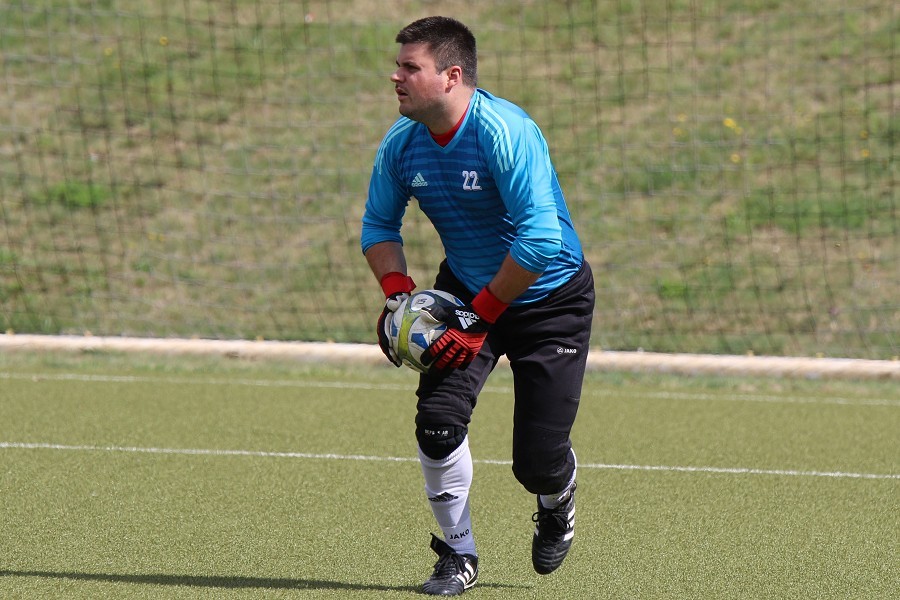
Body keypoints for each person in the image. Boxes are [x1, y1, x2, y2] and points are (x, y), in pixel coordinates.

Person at [360, 16, 594, 596]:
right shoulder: (402, 142)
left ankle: (557, 498)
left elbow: (539, 242)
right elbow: (378, 226)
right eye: (398, 66)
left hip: (550, 300)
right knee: (437, 424)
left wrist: (479, 317)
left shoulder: (504, 131)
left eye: (410, 67)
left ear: (451, 75)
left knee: (536, 462)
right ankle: (457, 554)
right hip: (466, 291)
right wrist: (398, 296)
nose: (396, 77)